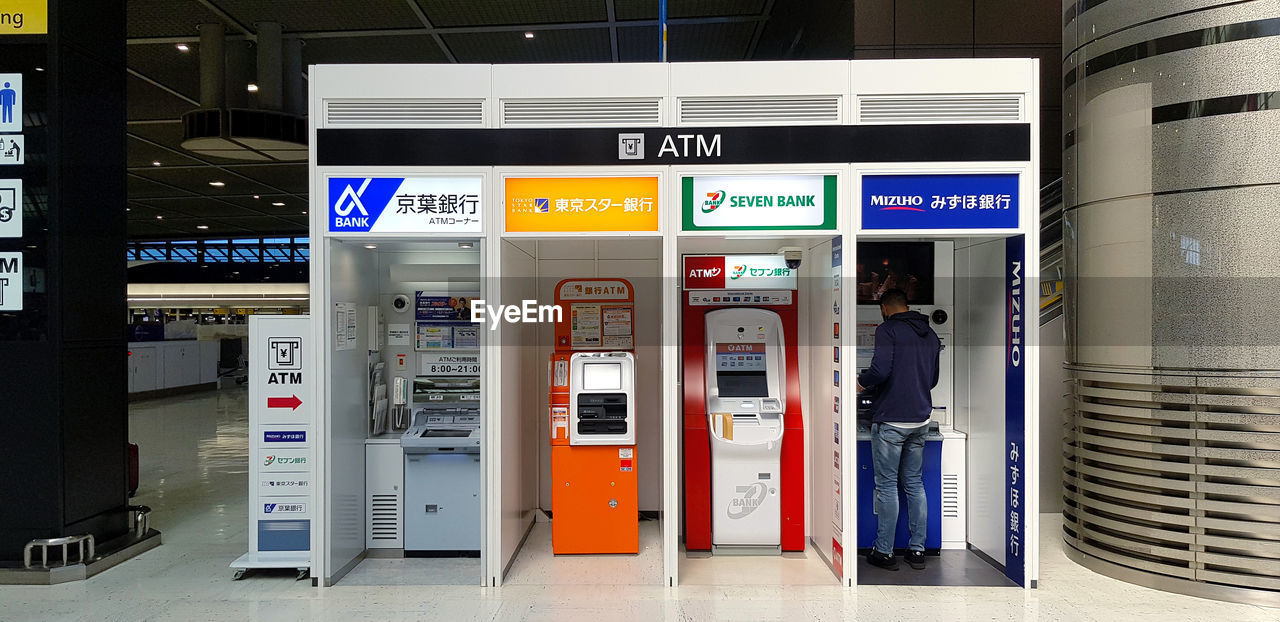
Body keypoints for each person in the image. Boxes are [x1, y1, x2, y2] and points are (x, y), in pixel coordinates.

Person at [856, 288, 941, 571]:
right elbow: (933, 379)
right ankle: (917, 551)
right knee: (914, 484)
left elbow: (880, 371)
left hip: (892, 420)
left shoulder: (888, 330)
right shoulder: (929, 333)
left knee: (887, 486)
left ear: (885, 307)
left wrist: (862, 383)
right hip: (920, 419)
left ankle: (884, 552)